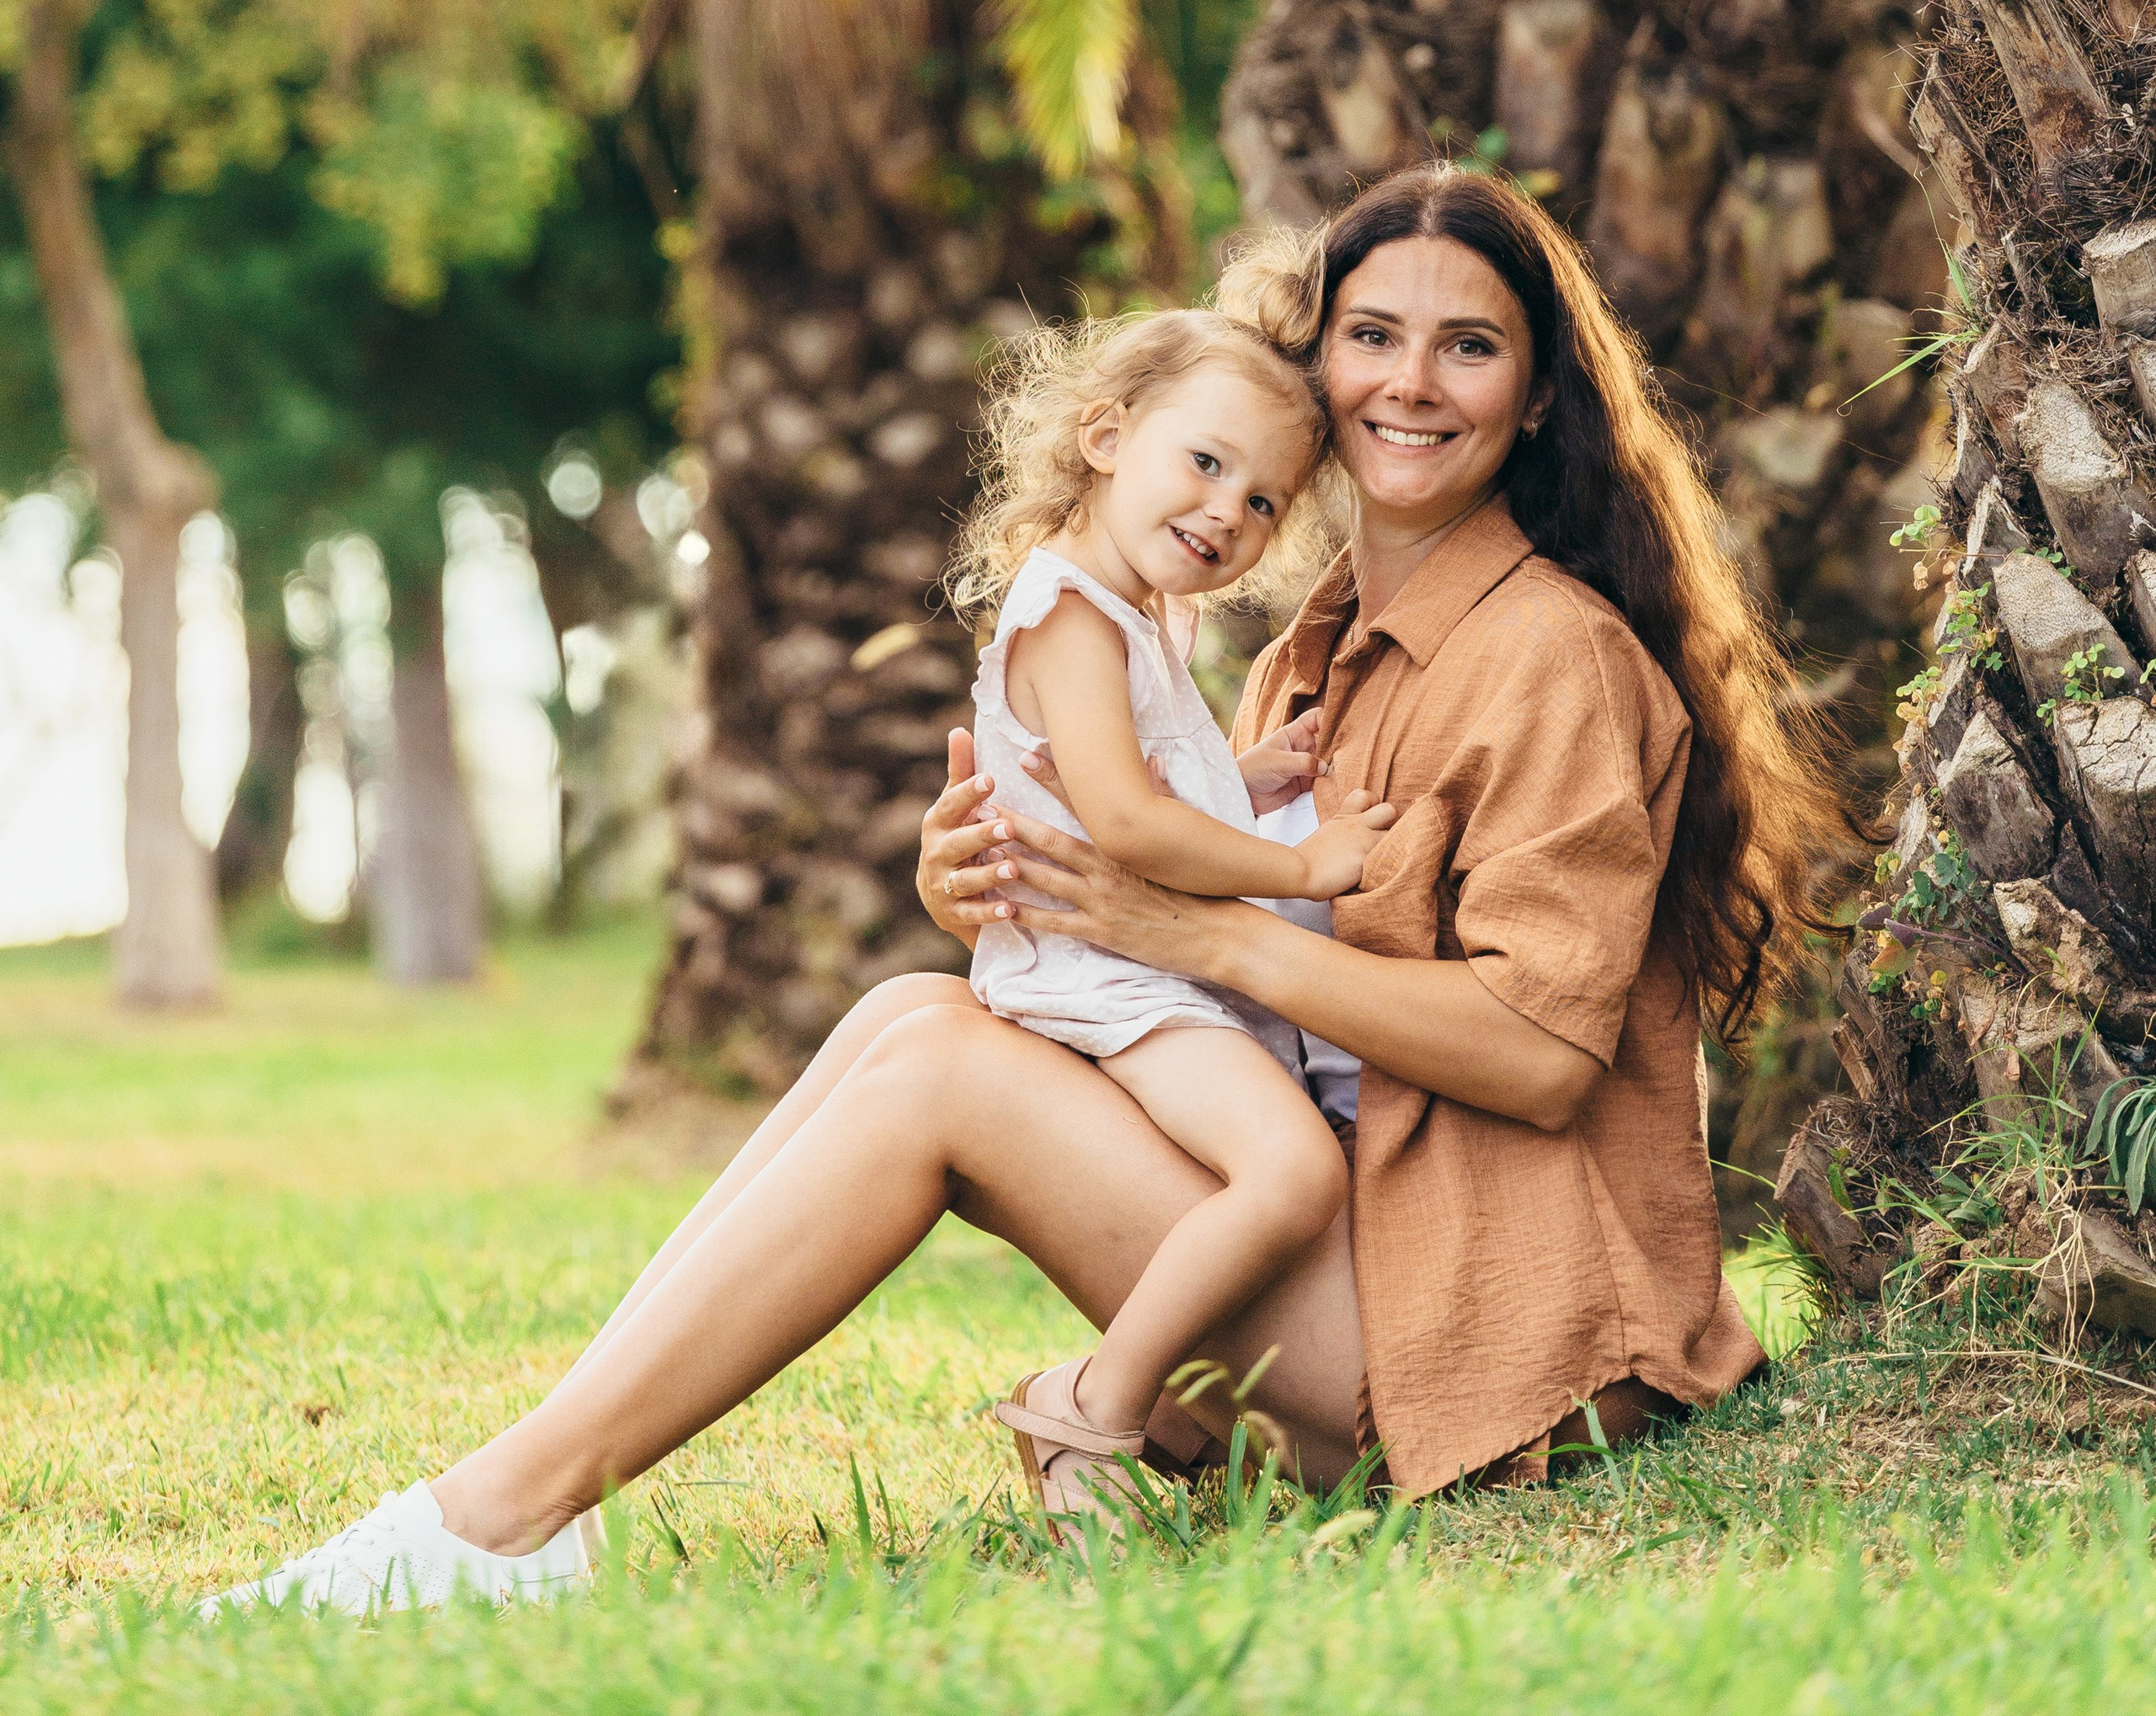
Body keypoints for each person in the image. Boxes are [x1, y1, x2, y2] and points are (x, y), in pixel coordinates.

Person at [209, 163, 1838, 1614]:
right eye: (1375, 337)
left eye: (1469, 346)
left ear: (1541, 395)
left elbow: (1540, 1058)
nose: (1412, 381)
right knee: (915, 1009)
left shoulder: (1549, 652)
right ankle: (522, 1489)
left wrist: (1177, 923)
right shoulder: (1304, 659)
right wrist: (997, 882)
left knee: (930, 1063)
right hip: (1363, 1263)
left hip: (1490, 1346)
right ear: (1315, 371)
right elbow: (1176, 939)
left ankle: (501, 1521)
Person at [949, 307, 1395, 1521]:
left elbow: (1141, 790)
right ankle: (1091, 1411)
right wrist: (1309, 867)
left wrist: (1246, 784)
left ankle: (1168, 1408)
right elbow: (1132, 831)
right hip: (1105, 977)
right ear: (1105, 434)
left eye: (1263, 503)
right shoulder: (1076, 616)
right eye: (1205, 463)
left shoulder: (1140, 612)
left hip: (1132, 965)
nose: (1225, 513)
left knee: (1285, 1174)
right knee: (1293, 1172)